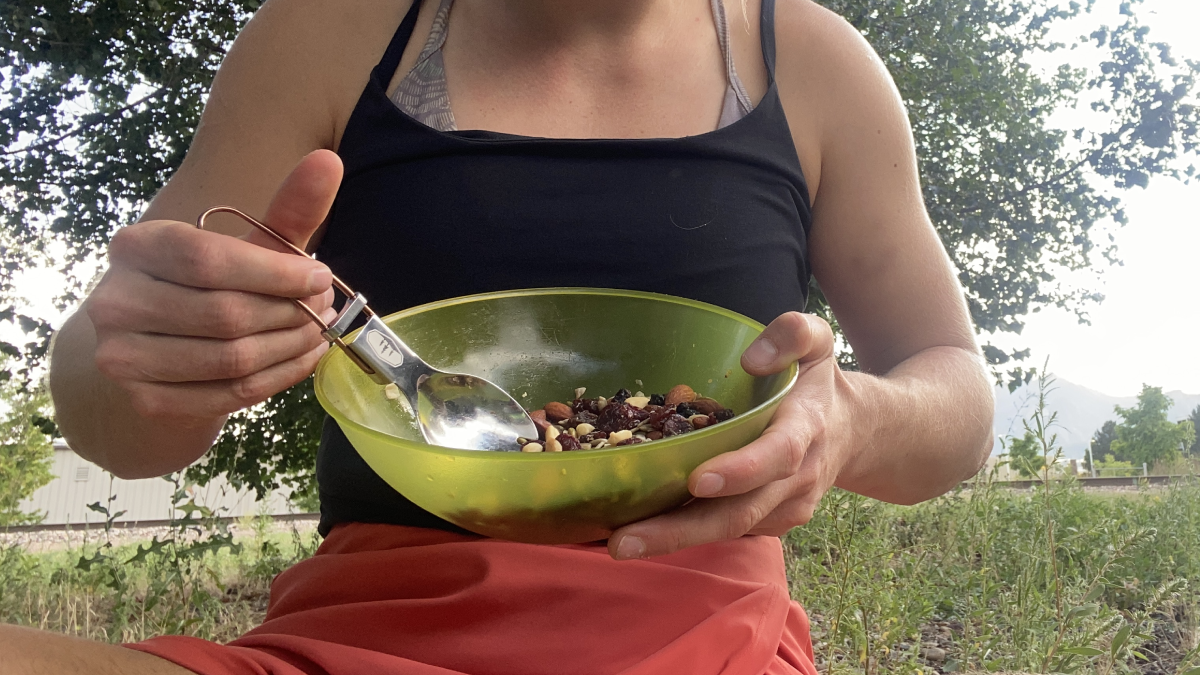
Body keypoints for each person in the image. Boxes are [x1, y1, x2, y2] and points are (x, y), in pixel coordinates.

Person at [6, 0, 994, 672]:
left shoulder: (817, 66)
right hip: (360, 638)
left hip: (706, 637)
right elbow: (109, 418)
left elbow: (957, 404)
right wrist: (153, 354)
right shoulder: (325, 33)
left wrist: (853, 419)